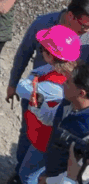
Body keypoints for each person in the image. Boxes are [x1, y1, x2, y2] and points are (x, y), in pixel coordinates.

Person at [5, 0, 89, 182]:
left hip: (48, 129)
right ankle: (20, 171)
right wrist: (13, 84)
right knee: (26, 136)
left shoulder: (58, 87)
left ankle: (23, 176)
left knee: (33, 168)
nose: (87, 30)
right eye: (84, 26)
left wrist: (31, 90)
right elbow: (23, 53)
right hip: (39, 115)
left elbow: (48, 113)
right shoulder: (43, 23)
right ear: (70, 16)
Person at [16, 25, 80, 184]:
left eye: (41, 49)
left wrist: (32, 82)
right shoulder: (74, 74)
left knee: (28, 175)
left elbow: (21, 88)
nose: (40, 51)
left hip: (43, 140)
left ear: (51, 56)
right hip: (48, 138)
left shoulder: (49, 88)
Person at [41, 64, 89, 182]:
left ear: (81, 93)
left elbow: (78, 173)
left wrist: (49, 181)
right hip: (50, 164)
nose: (63, 83)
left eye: (68, 82)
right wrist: (39, 105)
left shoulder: (86, 131)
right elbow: (54, 118)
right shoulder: (68, 101)